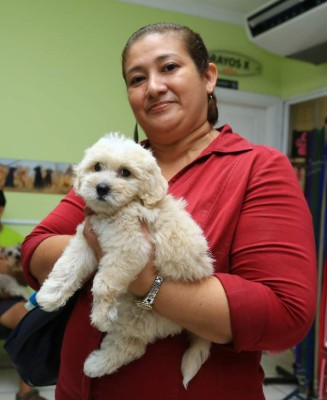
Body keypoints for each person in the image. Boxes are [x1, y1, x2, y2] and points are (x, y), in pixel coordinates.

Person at [21, 23, 317, 400]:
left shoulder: (258, 168)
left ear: (208, 77)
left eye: (169, 67)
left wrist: (145, 278)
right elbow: (35, 251)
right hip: (75, 389)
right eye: (137, 78)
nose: (154, 86)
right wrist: (102, 247)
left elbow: (283, 316)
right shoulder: (111, 167)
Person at [0, 190, 47, 400]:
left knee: (30, 324)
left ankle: (26, 392)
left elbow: (25, 279)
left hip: (10, 298)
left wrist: (9, 270)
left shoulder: (16, 239)